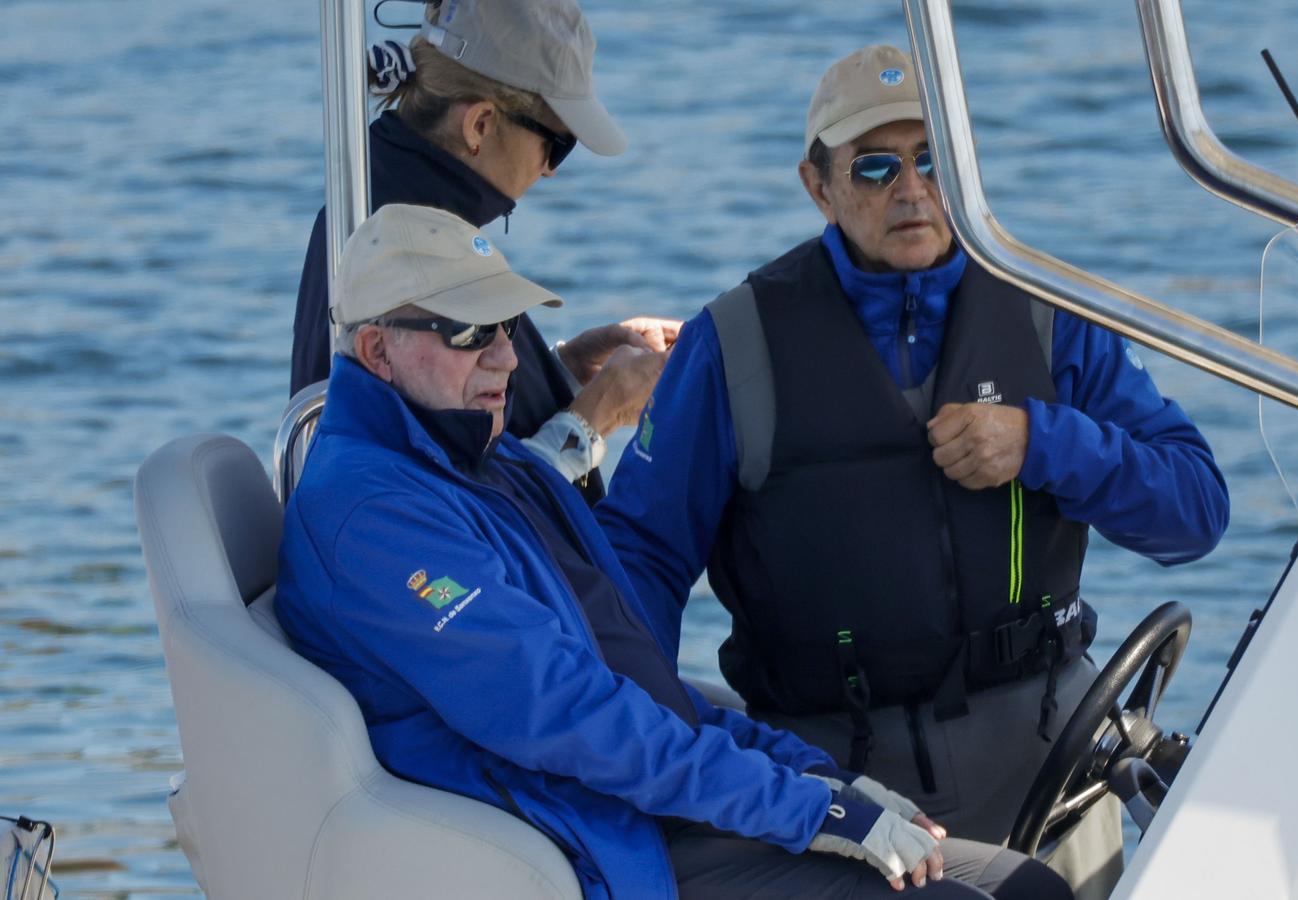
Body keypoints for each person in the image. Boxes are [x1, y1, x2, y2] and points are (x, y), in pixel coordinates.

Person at [274, 203, 1074, 900]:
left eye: (509, 327)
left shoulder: (492, 465)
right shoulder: (371, 518)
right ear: (377, 352)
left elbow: (635, 680)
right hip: (591, 841)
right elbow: (568, 715)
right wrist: (804, 809)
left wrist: (818, 778)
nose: (507, 358)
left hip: (645, 807)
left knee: (1027, 887)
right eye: (468, 332)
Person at [597, 45, 1230, 898]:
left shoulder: (1051, 316)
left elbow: (1196, 511)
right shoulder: (734, 344)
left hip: (1051, 752)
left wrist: (1044, 443)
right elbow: (636, 566)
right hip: (839, 779)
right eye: (876, 165)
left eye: (934, 160)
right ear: (817, 184)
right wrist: (648, 761)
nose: (912, 188)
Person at [291, 0, 672, 505]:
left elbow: (449, 415)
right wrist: (597, 415)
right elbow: (462, 514)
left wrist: (563, 370)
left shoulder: (384, 203)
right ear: (479, 125)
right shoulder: (413, 249)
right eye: (557, 145)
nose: (551, 170)